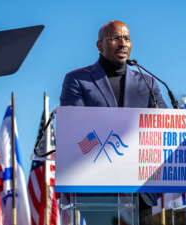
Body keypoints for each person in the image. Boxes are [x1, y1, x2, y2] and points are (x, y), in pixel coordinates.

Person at [60, 20, 167, 225]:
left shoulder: (147, 82)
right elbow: (75, 129)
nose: (123, 43)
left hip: (140, 190)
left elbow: (162, 124)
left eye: (127, 38)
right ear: (100, 46)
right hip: (97, 188)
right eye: (116, 38)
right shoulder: (77, 80)